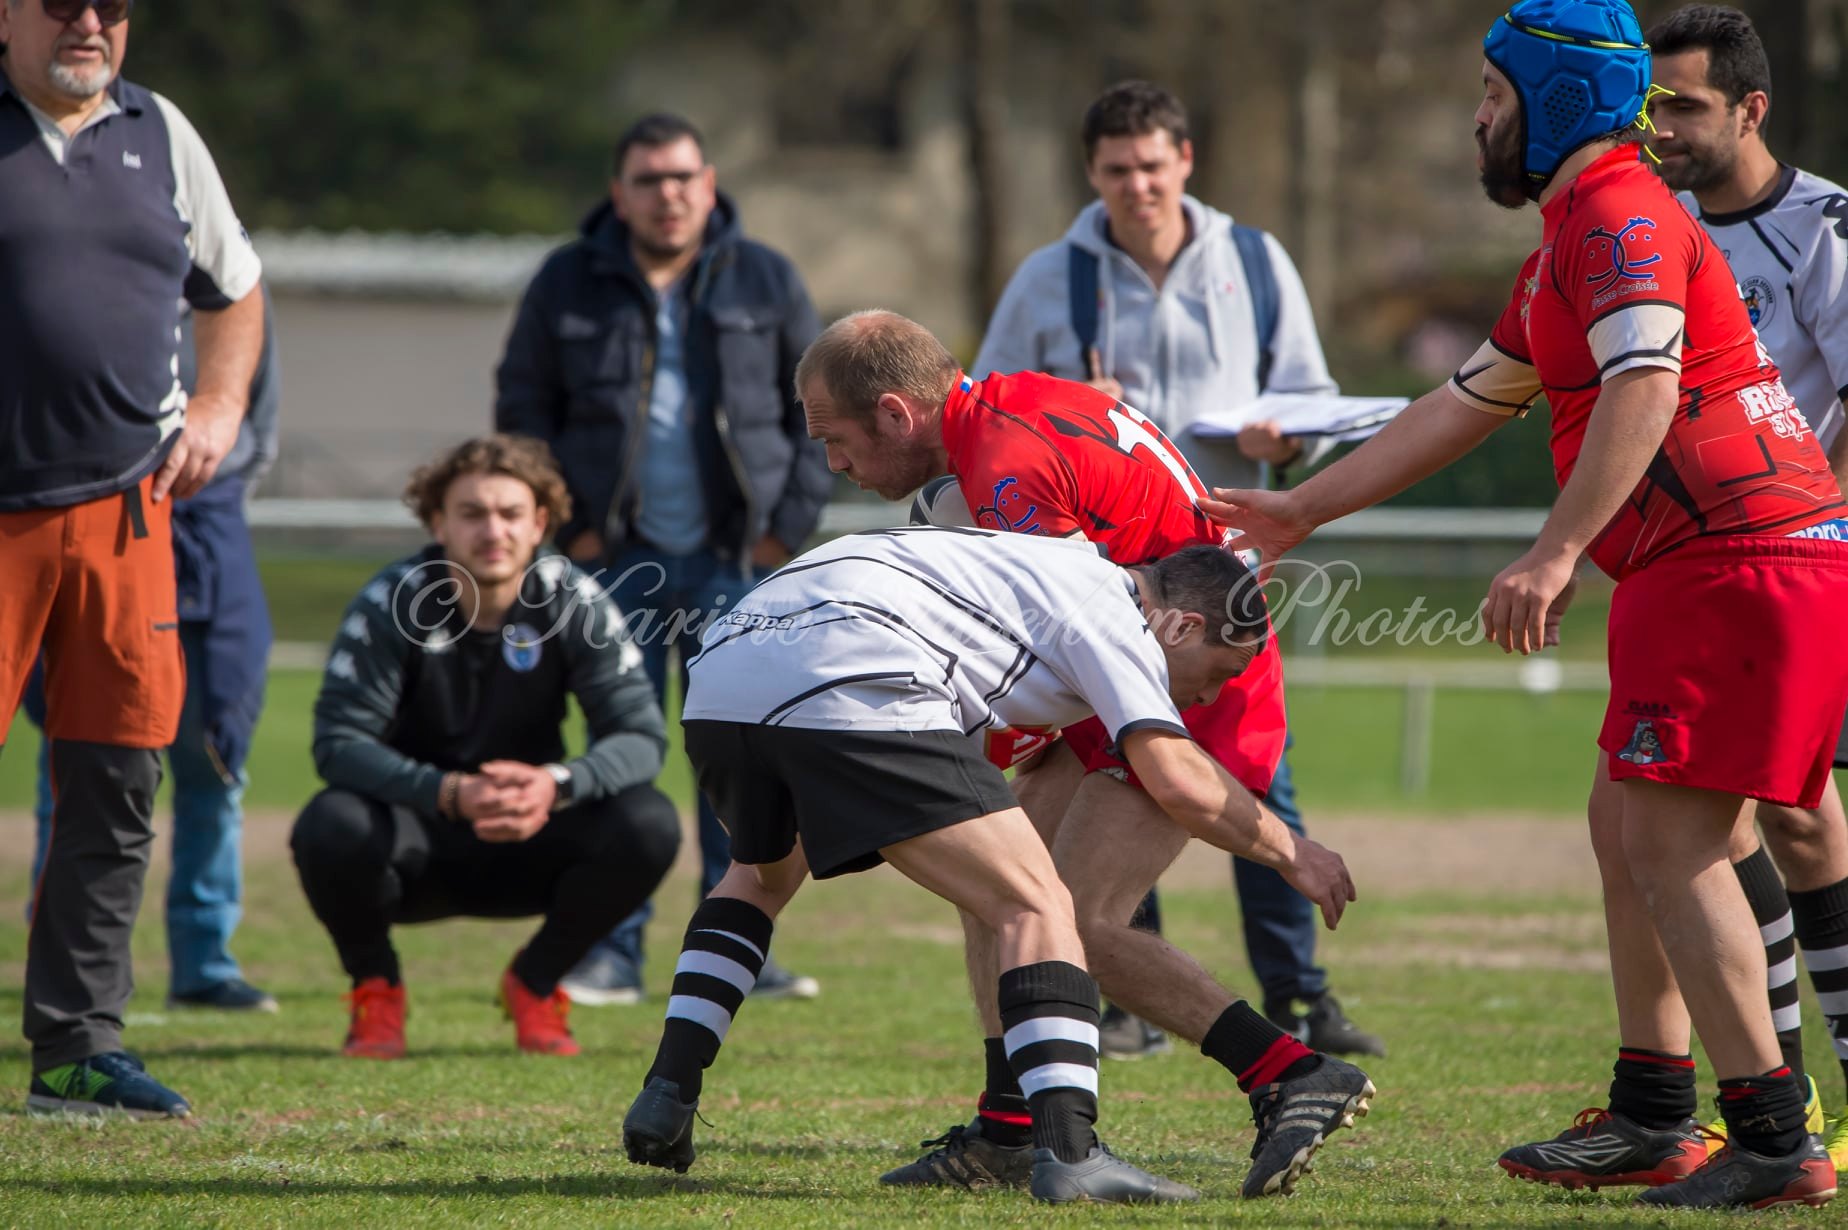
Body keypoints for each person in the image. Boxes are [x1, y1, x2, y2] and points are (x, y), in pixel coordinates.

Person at [1202, 0, 1846, 1209]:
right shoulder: (1572, 236)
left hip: (1736, 559)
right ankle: (1656, 1110)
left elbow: (1646, 387)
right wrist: (1304, 512)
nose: (1478, 120)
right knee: (1628, 823)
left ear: (1552, 104)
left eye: (1495, 98)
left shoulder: (1615, 214)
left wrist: (1554, 553)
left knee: (1674, 841)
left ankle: (1771, 1136)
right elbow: (1465, 400)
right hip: (1729, 560)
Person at [794, 310, 1376, 1198]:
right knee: (996, 888)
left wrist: (1287, 848)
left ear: (896, 413)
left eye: (837, 438)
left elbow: (1075, 632)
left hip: (1189, 670)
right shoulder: (1008, 408)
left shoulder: (1002, 468)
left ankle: (1292, 1075)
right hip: (1138, 660)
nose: (835, 462)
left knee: (1081, 921)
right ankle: (1007, 1128)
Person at [619, 524, 1373, 1203]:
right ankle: (1072, 1155)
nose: (1210, 692)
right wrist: (1293, 851)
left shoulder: (1032, 564)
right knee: (1042, 906)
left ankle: (667, 1093)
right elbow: (1177, 779)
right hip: (853, 665)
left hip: (723, 671)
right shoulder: (1114, 608)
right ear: (1185, 624)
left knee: (761, 875)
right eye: (1220, 668)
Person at [972, 80, 1382, 1060]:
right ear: (1091, 174)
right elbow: (997, 404)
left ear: (1185, 161)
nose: (1138, 186)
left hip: (1226, 563)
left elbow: (1316, 399)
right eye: (1117, 170)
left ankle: (1298, 995)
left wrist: (1279, 437)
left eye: (1153, 165)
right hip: (1112, 583)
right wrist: (1073, 404)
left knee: (1253, 777)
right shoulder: (1048, 277)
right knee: (1117, 773)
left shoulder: (1251, 258)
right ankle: (1115, 993)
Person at [496, 111, 831, 1006]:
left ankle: (739, 952)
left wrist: (780, 532)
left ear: (710, 185)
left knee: (742, 760)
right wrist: (575, 534)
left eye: (683, 178)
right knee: (621, 750)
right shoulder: (569, 281)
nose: (668, 195)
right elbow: (522, 407)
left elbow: (818, 405)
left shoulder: (764, 276)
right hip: (617, 566)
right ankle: (611, 952)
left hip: (739, 560)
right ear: (620, 193)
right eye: (648, 180)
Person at [0, 0, 265, 1119]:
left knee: (116, 784)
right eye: (62, 1)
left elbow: (237, 288)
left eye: (111, 6)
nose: (89, 22)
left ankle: (75, 1051)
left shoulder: (165, 132)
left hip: (126, 514)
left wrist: (215, 404)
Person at [291, 436, 680, 1059]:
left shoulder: (572, 600)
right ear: (438, 522)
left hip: (531, 834)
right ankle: (377, 991)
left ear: (539, 525)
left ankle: (534, 984)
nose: (491, 530)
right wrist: (448, 792)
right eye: (471, 513)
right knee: (329, 822)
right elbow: (338, 743)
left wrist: (555, 784)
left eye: (510, 514)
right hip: (416, 841)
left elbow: (641, 737)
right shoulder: (393, 599)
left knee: (650, 822)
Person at [1645, 4, 1848, 1169]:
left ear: (1751, 109)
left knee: (1796, 822)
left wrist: (1811, 527)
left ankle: (1787, 1115)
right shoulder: (1657, 228)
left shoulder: (1822, 227)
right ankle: (1775, 1109)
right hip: (1705, 575)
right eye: (1653, 106)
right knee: (1720, 822)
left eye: (1686, 106)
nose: (1664, 128)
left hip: (1805, 563)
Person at [23, 290, 282, 1014]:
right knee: (78, 751)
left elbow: (255, 417)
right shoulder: (58, 263)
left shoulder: (226, 280)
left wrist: (201, 479)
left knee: (214, 755)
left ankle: (205, 959)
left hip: (205, 521)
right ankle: (65, 961)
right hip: (76, 507)